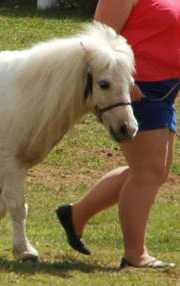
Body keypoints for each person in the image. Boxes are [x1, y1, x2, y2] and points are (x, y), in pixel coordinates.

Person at [56, 0, 180, 268]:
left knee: (154, 171)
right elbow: (100, 40)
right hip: (134, 90)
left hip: (164, 88)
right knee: (147, 172)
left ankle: (76, 214)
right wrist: (126, 83)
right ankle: (136, 254)